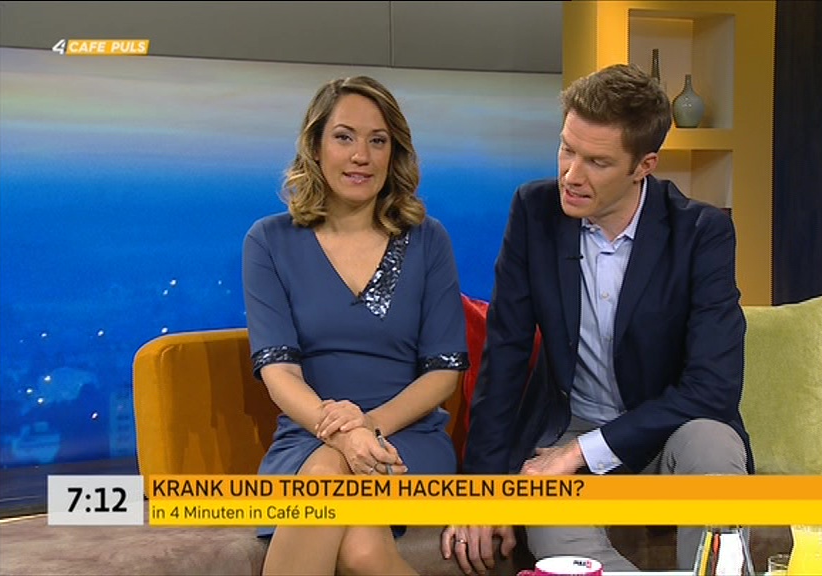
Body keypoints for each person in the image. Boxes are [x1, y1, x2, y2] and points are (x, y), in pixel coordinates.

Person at [440, 63, 754, 574]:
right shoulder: (534, 211)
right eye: (567, 149)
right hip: (567, 425)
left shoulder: (701, 233)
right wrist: (482, 491)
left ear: (644, 166)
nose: (571, 175)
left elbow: (713, 389)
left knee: (714, 442)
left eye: (597, 162)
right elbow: (505, 356)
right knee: (555, 529)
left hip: (667, 430)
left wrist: (581, 453)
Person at [243, 76, 469, 576]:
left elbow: (443, 373)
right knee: (360, 548)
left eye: (377, 140)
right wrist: (342, 432)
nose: (361, 156)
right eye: (344, 137)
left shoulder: (427, 240)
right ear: (316, 147)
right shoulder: (269, 241)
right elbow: (279, 372)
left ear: (394, 154)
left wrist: (367, 427)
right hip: (307, 435)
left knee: (328, 481)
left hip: (406, 437)